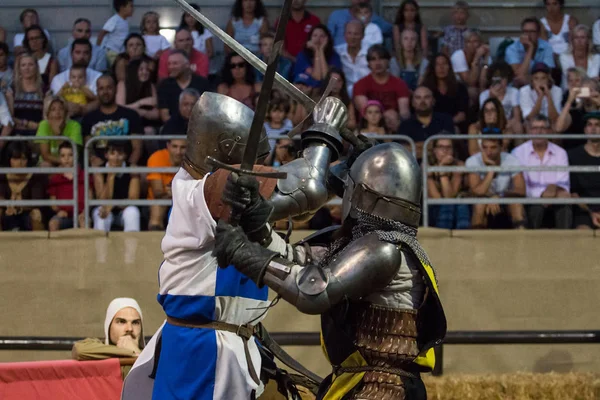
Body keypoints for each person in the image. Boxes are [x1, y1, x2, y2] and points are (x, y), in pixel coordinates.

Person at [122, 91, 351, 400]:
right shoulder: (209, 190)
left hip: (228, 342)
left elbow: (308, 196)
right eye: (255, 159)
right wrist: (326, 131)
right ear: (228, 149)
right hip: (203, 352)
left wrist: (355, 164)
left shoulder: (209, 189)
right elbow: (307, 187)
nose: (260, 165)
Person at [212, 142, 447, 400]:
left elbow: (312, 291)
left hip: (384, 389)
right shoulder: (366, 244)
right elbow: (296, 259)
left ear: (362, 194)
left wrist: (241, 252)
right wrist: (257, 220)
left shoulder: (384, 250)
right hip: (359, 382)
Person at [511, 115, 571, 229]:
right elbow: (522, 187)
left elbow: (564, 185)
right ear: (529, 131)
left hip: (556, 198)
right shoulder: (518, 152)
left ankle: (565, 243)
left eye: (543, 128)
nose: (539, 131)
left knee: (565, 206)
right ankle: (532, 245)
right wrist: (542, 194)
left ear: (549, 131)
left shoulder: (560, 153)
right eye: (534, 128)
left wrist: (554, 188)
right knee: (536, 208)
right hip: (531, 200)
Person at [72, 298, 144, 378]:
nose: (129, 329)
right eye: (121, 322)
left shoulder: (152, 353)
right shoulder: (97, 347)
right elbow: (80, 350)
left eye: (135, 323)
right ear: (109, 326)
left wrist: (139, 354)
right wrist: (131, 352)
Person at [82, 74, 143, 166]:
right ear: (97, 91)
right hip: (98, 169)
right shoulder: (88, 118)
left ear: (116, 90)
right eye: (101, 88)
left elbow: (137, 148)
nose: (105, 92)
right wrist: (94, 161)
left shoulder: (131, 115)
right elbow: (88, 148)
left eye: (109, 88)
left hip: (126, 167)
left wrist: (128, 168)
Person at [466, 137, 526, 229]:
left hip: (504, 198)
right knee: (480, 204)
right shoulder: (473, 161)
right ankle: (476, 242)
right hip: (483, 198)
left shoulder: (512, 160)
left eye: (493, 147)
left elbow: (521, 190)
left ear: (501, 148)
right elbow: (477, 191)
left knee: (516, 204)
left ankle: (523, 240)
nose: (488, 152)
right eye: (485, 147)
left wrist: (500, 196)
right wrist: (491, 171)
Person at [91, 140, 141, 232]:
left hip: (124, 210)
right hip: (106, 209)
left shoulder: (132, 170)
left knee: (133, 212)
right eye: (112, 153)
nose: (116, 157)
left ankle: (132, 245)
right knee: (100, 213)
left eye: (120, 153)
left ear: (125, 155)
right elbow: (102, 199)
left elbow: (133, 198)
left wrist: (113, 205)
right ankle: (99, 245)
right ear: (106, 155)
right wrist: (110, 177)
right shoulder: (99, 171)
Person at [0, 142, 47, 231]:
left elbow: (37, 201)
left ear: (28, 160)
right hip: (7, 211)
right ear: (9, 160)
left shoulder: (35, 177)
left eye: (23, 159)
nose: (19, 163)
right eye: (15, 158)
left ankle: (39, 244)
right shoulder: (2, 175)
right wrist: (7, 205)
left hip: (27, 213)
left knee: (36, 213)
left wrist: (18, 206)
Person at [428, 137, 470, 229]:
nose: (445, 150)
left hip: (455, 207)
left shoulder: (459, 165)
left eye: (448, 147)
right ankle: (442, 239)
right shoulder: (427, 167)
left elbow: (450, 195)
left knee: (461, 205)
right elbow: (437, 199)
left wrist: (441, 170)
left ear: (453, 150)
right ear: (434, 150)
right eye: (440, 147)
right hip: (434, 209)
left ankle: (463, 238)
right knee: (449, 206)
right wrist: (442, 168)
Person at [568, 111, 600, 229]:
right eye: (590, 125)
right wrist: (592, 213)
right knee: (582, 234)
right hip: (584, 211)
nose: (593, 129)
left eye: (597, 125)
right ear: (585, 130)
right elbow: (573, 193)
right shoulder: (573, 155)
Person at [146, 139, 186, 230]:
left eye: (183, 147)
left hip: (183, 200)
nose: (178, 152)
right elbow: (157, 192)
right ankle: (154, 240)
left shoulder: (192, 160)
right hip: (161, 200)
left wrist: (174, 192)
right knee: (158, 203)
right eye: (175, 147)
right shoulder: (157, 157)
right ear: (168, 146)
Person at [505, 17, 555, 87]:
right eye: (525, 31)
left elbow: (547, 73)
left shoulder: (547, 47)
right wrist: (530, 49)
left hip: (541, 84)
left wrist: (528, 80)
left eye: (532, 31)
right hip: (517, 87)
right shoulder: (512, 49)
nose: (528, 35)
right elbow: (519, 75)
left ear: (538, 34)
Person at [47, 142, 86, 231]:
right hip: (63, 215)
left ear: (76, 156)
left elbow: (90, 197)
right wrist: (58, 211)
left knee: (84, 222)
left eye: (70, 155)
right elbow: (53, 202)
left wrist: (84, 212)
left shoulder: (84, 175)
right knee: (53, 223)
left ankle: (84, 245)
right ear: (59, 157)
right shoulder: (55, 178)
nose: (67, 159)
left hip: (81, 214)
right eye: (63, 156)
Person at [35, 96, 83, 166]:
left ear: (66, 112)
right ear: (47, 114)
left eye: (61, 109)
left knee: (70, 166)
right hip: (49, 162)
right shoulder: (44, 125)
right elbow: (45, 155)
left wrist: (59, 134)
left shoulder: (75, 126)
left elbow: (72, 153)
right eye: (53, 110)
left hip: (69, 162)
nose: (57, 112)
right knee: (45, 165)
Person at [479, 61, 523, 134]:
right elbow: (483, 118)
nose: (500, 81)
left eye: (503, 77)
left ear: (508, 78)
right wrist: (492, 97)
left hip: (508, 124)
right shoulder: (484, 95)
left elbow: (517, 118)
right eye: (497, 78)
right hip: (490, 124)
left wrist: (505, 124)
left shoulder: (514, 92)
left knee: (517, 126)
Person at [293, 24, 342, 89]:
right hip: (307, 90)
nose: (318, 39)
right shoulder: (302, 55)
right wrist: (316, 50)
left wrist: (320, 50)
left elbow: (326, 78)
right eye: (315, 35)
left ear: (328, 39)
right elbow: (317, 77)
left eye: (322, 36)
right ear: (310, 38)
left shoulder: (334, 56)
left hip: (327, 91)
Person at [558, 24, 600, 91]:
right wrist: (591, 80)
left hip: (590, 93)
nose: (579, 41)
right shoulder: (564, 57)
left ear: (588, 40)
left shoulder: (596, 58)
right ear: (572, 41)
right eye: (576, 37)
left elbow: (593, 82)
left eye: (582, 37)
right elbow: (571, 79)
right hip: (569, 92)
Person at [334, 20, 370, 98]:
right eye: (349, 33)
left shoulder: (370, 52)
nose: (352, 37)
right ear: (344, 35)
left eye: (356, 34)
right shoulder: (337, 52)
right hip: (343, 95)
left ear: (363, 35)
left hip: (367, 94)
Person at [98, 0, 135, 66]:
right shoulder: (115, 20)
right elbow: (102, 33)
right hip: (112, 52)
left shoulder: (125, 21)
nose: (133, 9)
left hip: (120, 52)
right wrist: (97, 49)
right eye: (131, 6)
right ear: (122, 8)